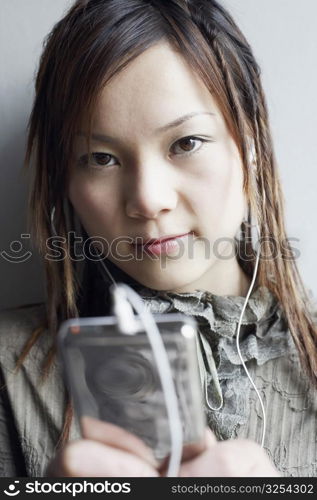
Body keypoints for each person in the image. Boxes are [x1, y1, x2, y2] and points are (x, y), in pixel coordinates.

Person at [0, 0, 316, 478]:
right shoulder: (7, 372)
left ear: (249, 146)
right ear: (65, 179)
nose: (148, 200)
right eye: (100, 157)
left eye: (186, 143)